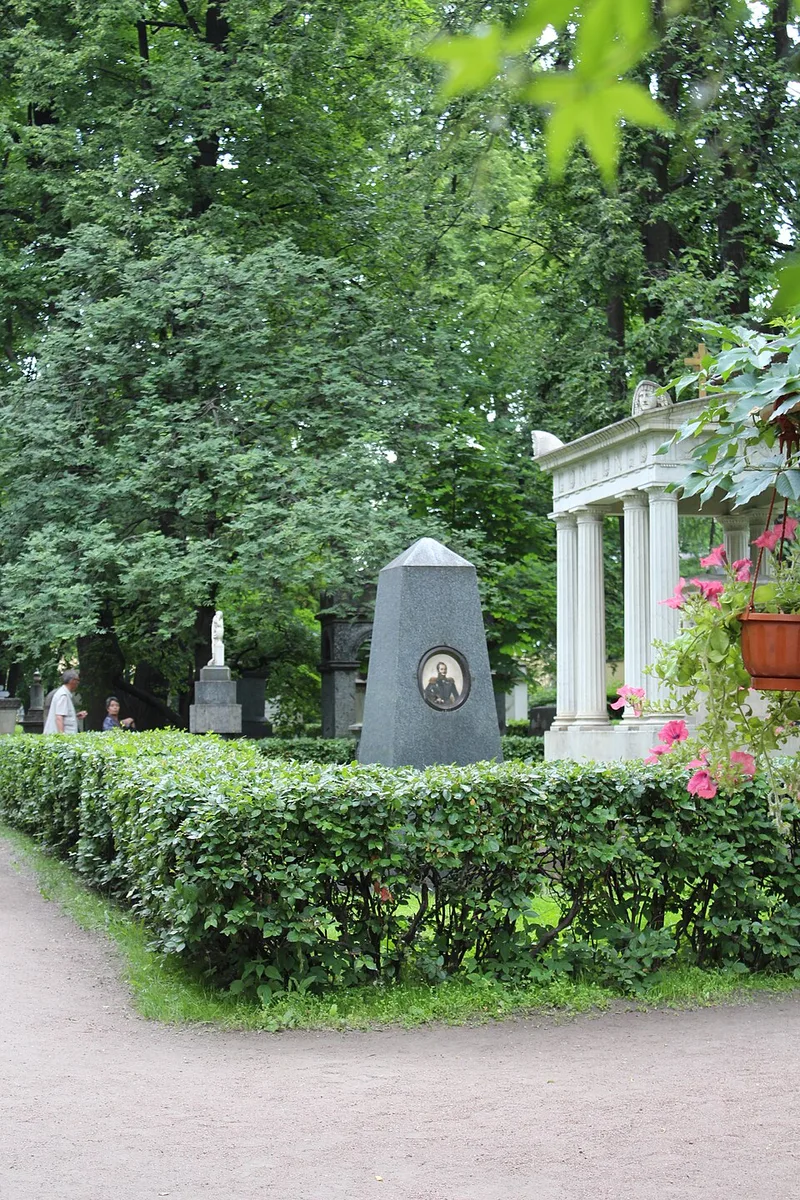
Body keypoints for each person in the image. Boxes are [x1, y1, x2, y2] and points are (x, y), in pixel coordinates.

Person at [43, 669, 88, 734]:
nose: (78, 683)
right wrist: (62, 737)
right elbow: (59, 717)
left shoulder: (64, 694)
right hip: (61, 738)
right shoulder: (63, 695)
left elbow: (63, 716)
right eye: (77, 680)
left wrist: (75, 716)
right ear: (72, 681)